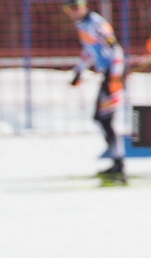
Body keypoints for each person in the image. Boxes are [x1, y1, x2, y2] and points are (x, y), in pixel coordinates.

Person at [62, 0, 128, 182]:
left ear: (84, 6)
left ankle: (119, 164)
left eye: (76, 7)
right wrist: (79, 71)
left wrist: (115, 77)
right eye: (69, 9)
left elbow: (116, 50)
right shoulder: (82, 25)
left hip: (112, 75)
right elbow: (89, 50)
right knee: (101, 118)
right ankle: (117, 161)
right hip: (106, 75)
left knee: (106, 119)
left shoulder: (97, 24)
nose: (73, 12)